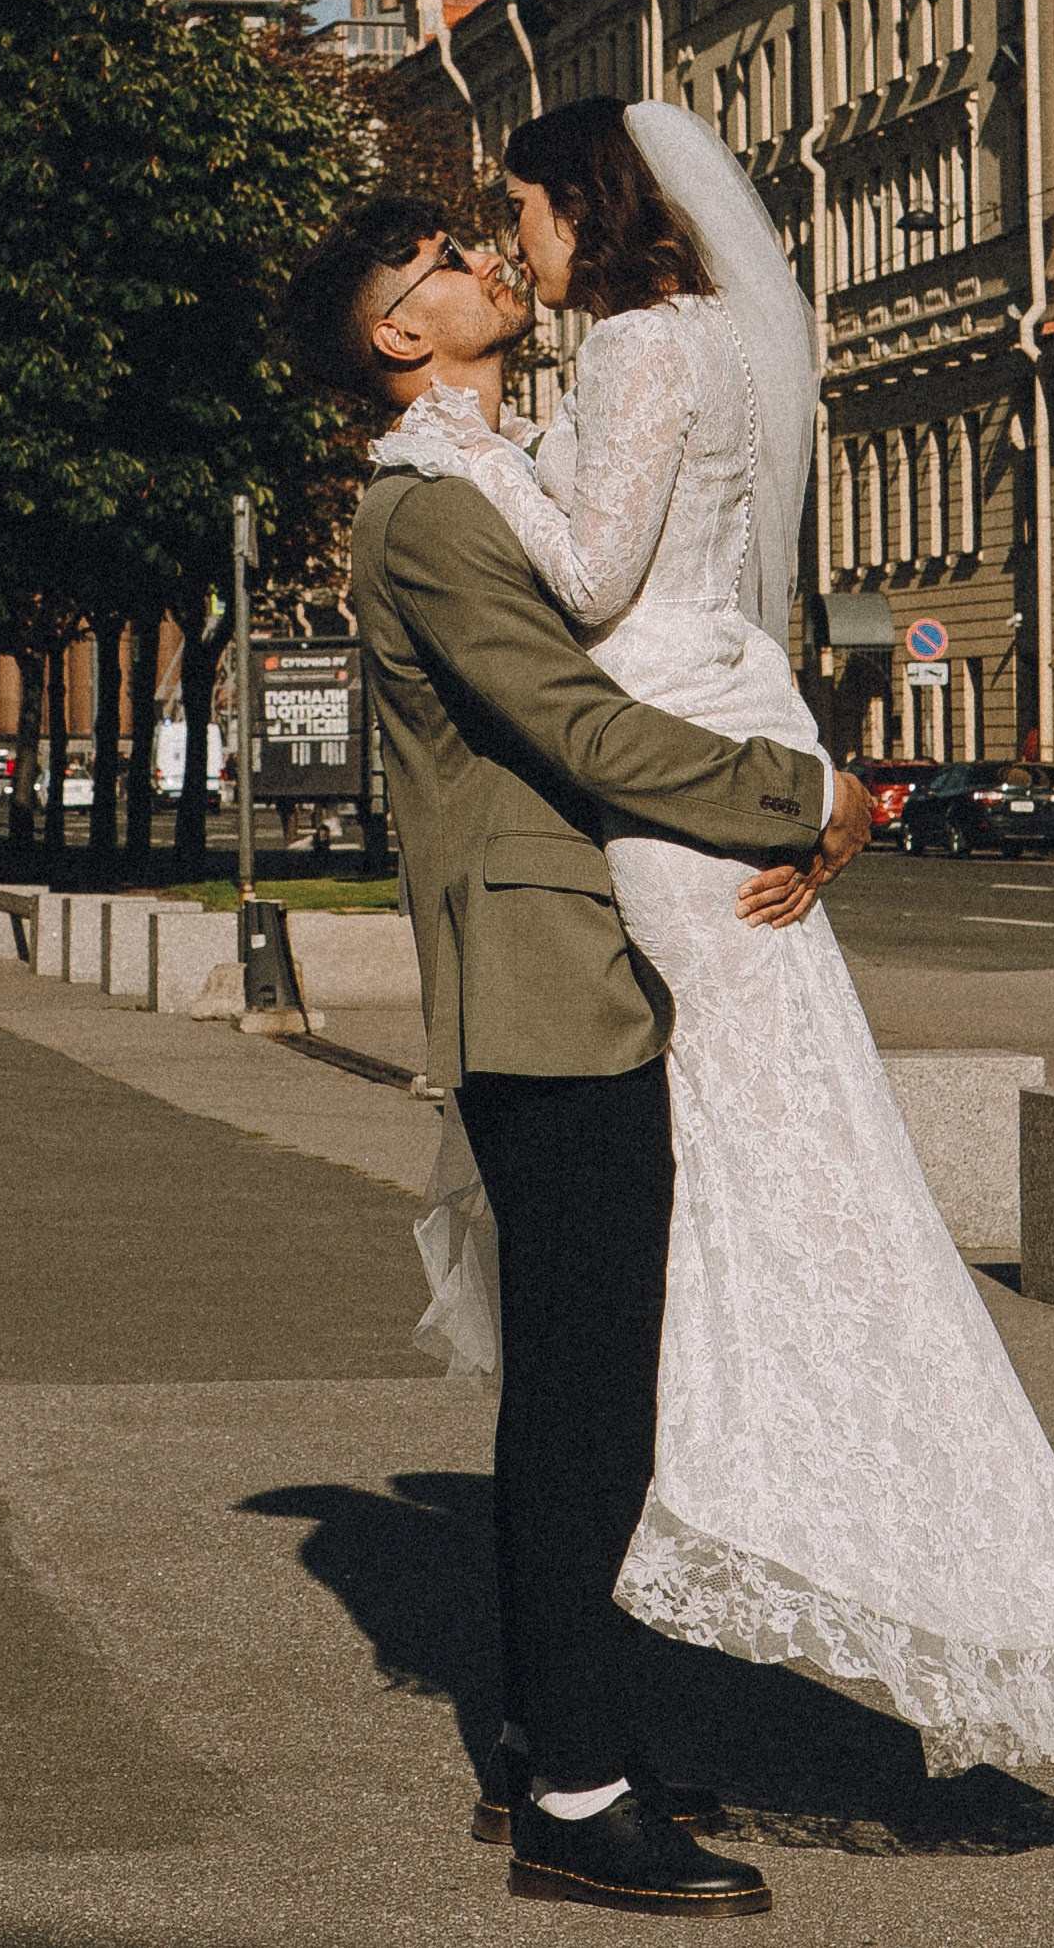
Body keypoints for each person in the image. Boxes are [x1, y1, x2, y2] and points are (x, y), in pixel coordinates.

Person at [390, 103, 1054, 1787]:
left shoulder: (638, 353)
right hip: (748, 707)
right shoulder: (740, 337)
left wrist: (473, 452)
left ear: (584, 208)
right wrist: (813, 776)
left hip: (671, 756)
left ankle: (717, 1484)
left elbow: (592, 587)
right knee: (793, 1142)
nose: (510, 244)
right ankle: (697, 1523)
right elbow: (725, 575)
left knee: (701, 1185)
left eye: (517, 212)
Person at [286, 195, 874, 1920]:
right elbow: (578, 725)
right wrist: (806, 794)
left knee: (584, 1388)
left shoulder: (473, 483)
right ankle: (576, 1796)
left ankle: (567, 1735)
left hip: (567, 975)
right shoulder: (431, 514)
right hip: (549, 987)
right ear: (403, 333)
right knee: (580, 1403)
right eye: (450, 262)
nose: (488, 264)